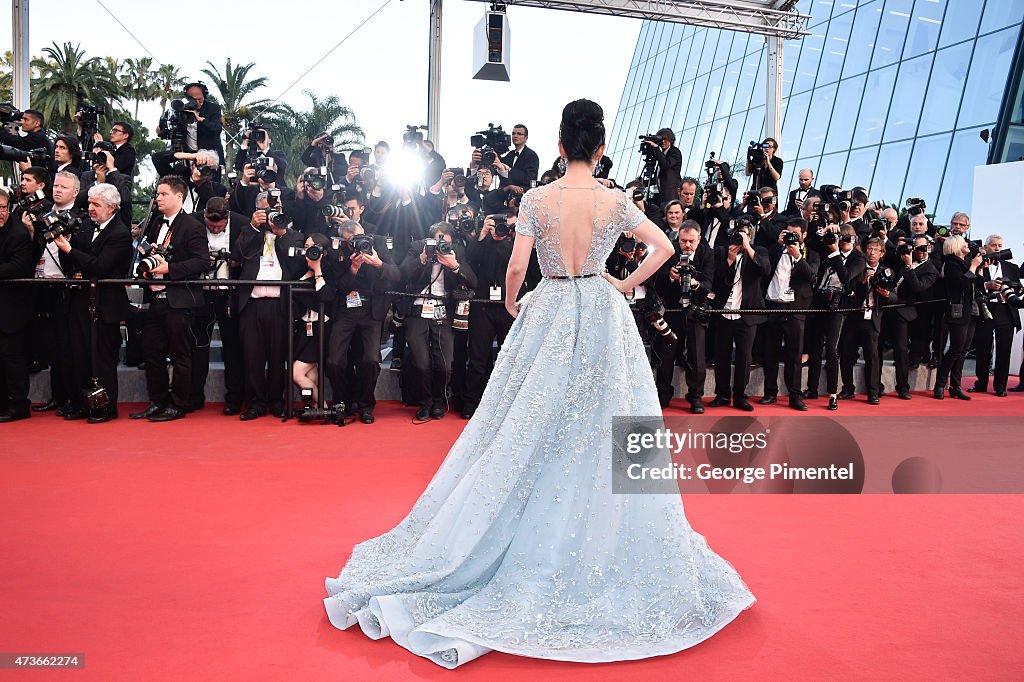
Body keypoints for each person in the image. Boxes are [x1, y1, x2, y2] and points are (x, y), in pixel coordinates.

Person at [323, 99, 755, 668]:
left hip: (549, 306)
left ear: (558, 146)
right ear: (600, 149)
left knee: (525, 421)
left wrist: (511, 302)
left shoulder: (536, 198)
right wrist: (621, 283)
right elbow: (666, 247)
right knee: (608, 425)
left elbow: (515, 267)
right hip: (601, 310)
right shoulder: (615, 200)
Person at [933, 236, 982, 400]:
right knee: (955, 349)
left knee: (962, 350)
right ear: (955, 246)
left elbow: (976, 286)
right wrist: (974, 267)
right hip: (957, 312)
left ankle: (956, 385)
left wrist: (979, 270)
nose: (968, 245)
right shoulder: (952, 264)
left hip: (971, 311)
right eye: (964, 243)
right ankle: (940, 384)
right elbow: (963, 284)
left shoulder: (966, 263)